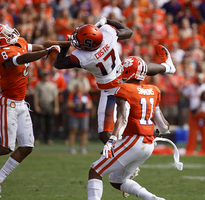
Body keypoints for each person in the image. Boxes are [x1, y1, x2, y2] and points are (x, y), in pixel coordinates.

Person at [0, 23, 70, 200]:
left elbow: (43, 44)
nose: (10, 32)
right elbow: (22, 59)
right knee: (6, 147)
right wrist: (47, 52)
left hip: (21, 103)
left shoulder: (17, 42)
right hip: (9, 104)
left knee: (27, 147)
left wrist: (67, 43)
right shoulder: (2, 53)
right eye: (5, 32)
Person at [54, 17, 176, 144]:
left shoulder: (83, 57)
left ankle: (120, 155)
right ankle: (167, 67)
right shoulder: (108, 34)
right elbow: (128, 32)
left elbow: (59, 63)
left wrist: (66, 44)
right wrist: (107, 21)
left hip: (110, 88)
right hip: (125, 77)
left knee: (104, 132)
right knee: (137, 65)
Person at [87, 56, 177, 200]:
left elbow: (122, 117)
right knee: (117, 180)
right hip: (149, 144)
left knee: (95, 171)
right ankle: (153, 198)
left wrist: (112, 140)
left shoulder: (124, 89)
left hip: (133, 141)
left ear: (127, 71)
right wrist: (162, 130)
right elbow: (164, 126)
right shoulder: (153, 90)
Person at [182, 73, 205, 155]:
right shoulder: (192, 87)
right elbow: (184, 93)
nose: (204, 96)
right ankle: (190, 149)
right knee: (193, 133)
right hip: (194, 112)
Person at [34, 70, 59, 145]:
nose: (46, 77)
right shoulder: (39, 84)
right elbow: (36, 96)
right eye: (44, 75)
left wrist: (56, 107)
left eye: (47, 75)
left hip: (49, 105)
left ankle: (47, 138)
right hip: (41, 104)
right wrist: (36, 106)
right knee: (39, 123)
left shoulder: (53, 85)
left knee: (49, 123)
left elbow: (55, 97)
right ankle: (37, 138)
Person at [67, 81, 93, 154]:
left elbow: (90, 105)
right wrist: (76, 104)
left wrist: (84, 106)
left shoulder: (86, 95)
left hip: (84, 115)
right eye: (77, 86)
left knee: (84, 131)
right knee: (73, 130)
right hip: (74, 114)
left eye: (80, 86)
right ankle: (71, 147)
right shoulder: (72, 95)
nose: (79, 88)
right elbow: (68, 104)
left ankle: (82, 147)